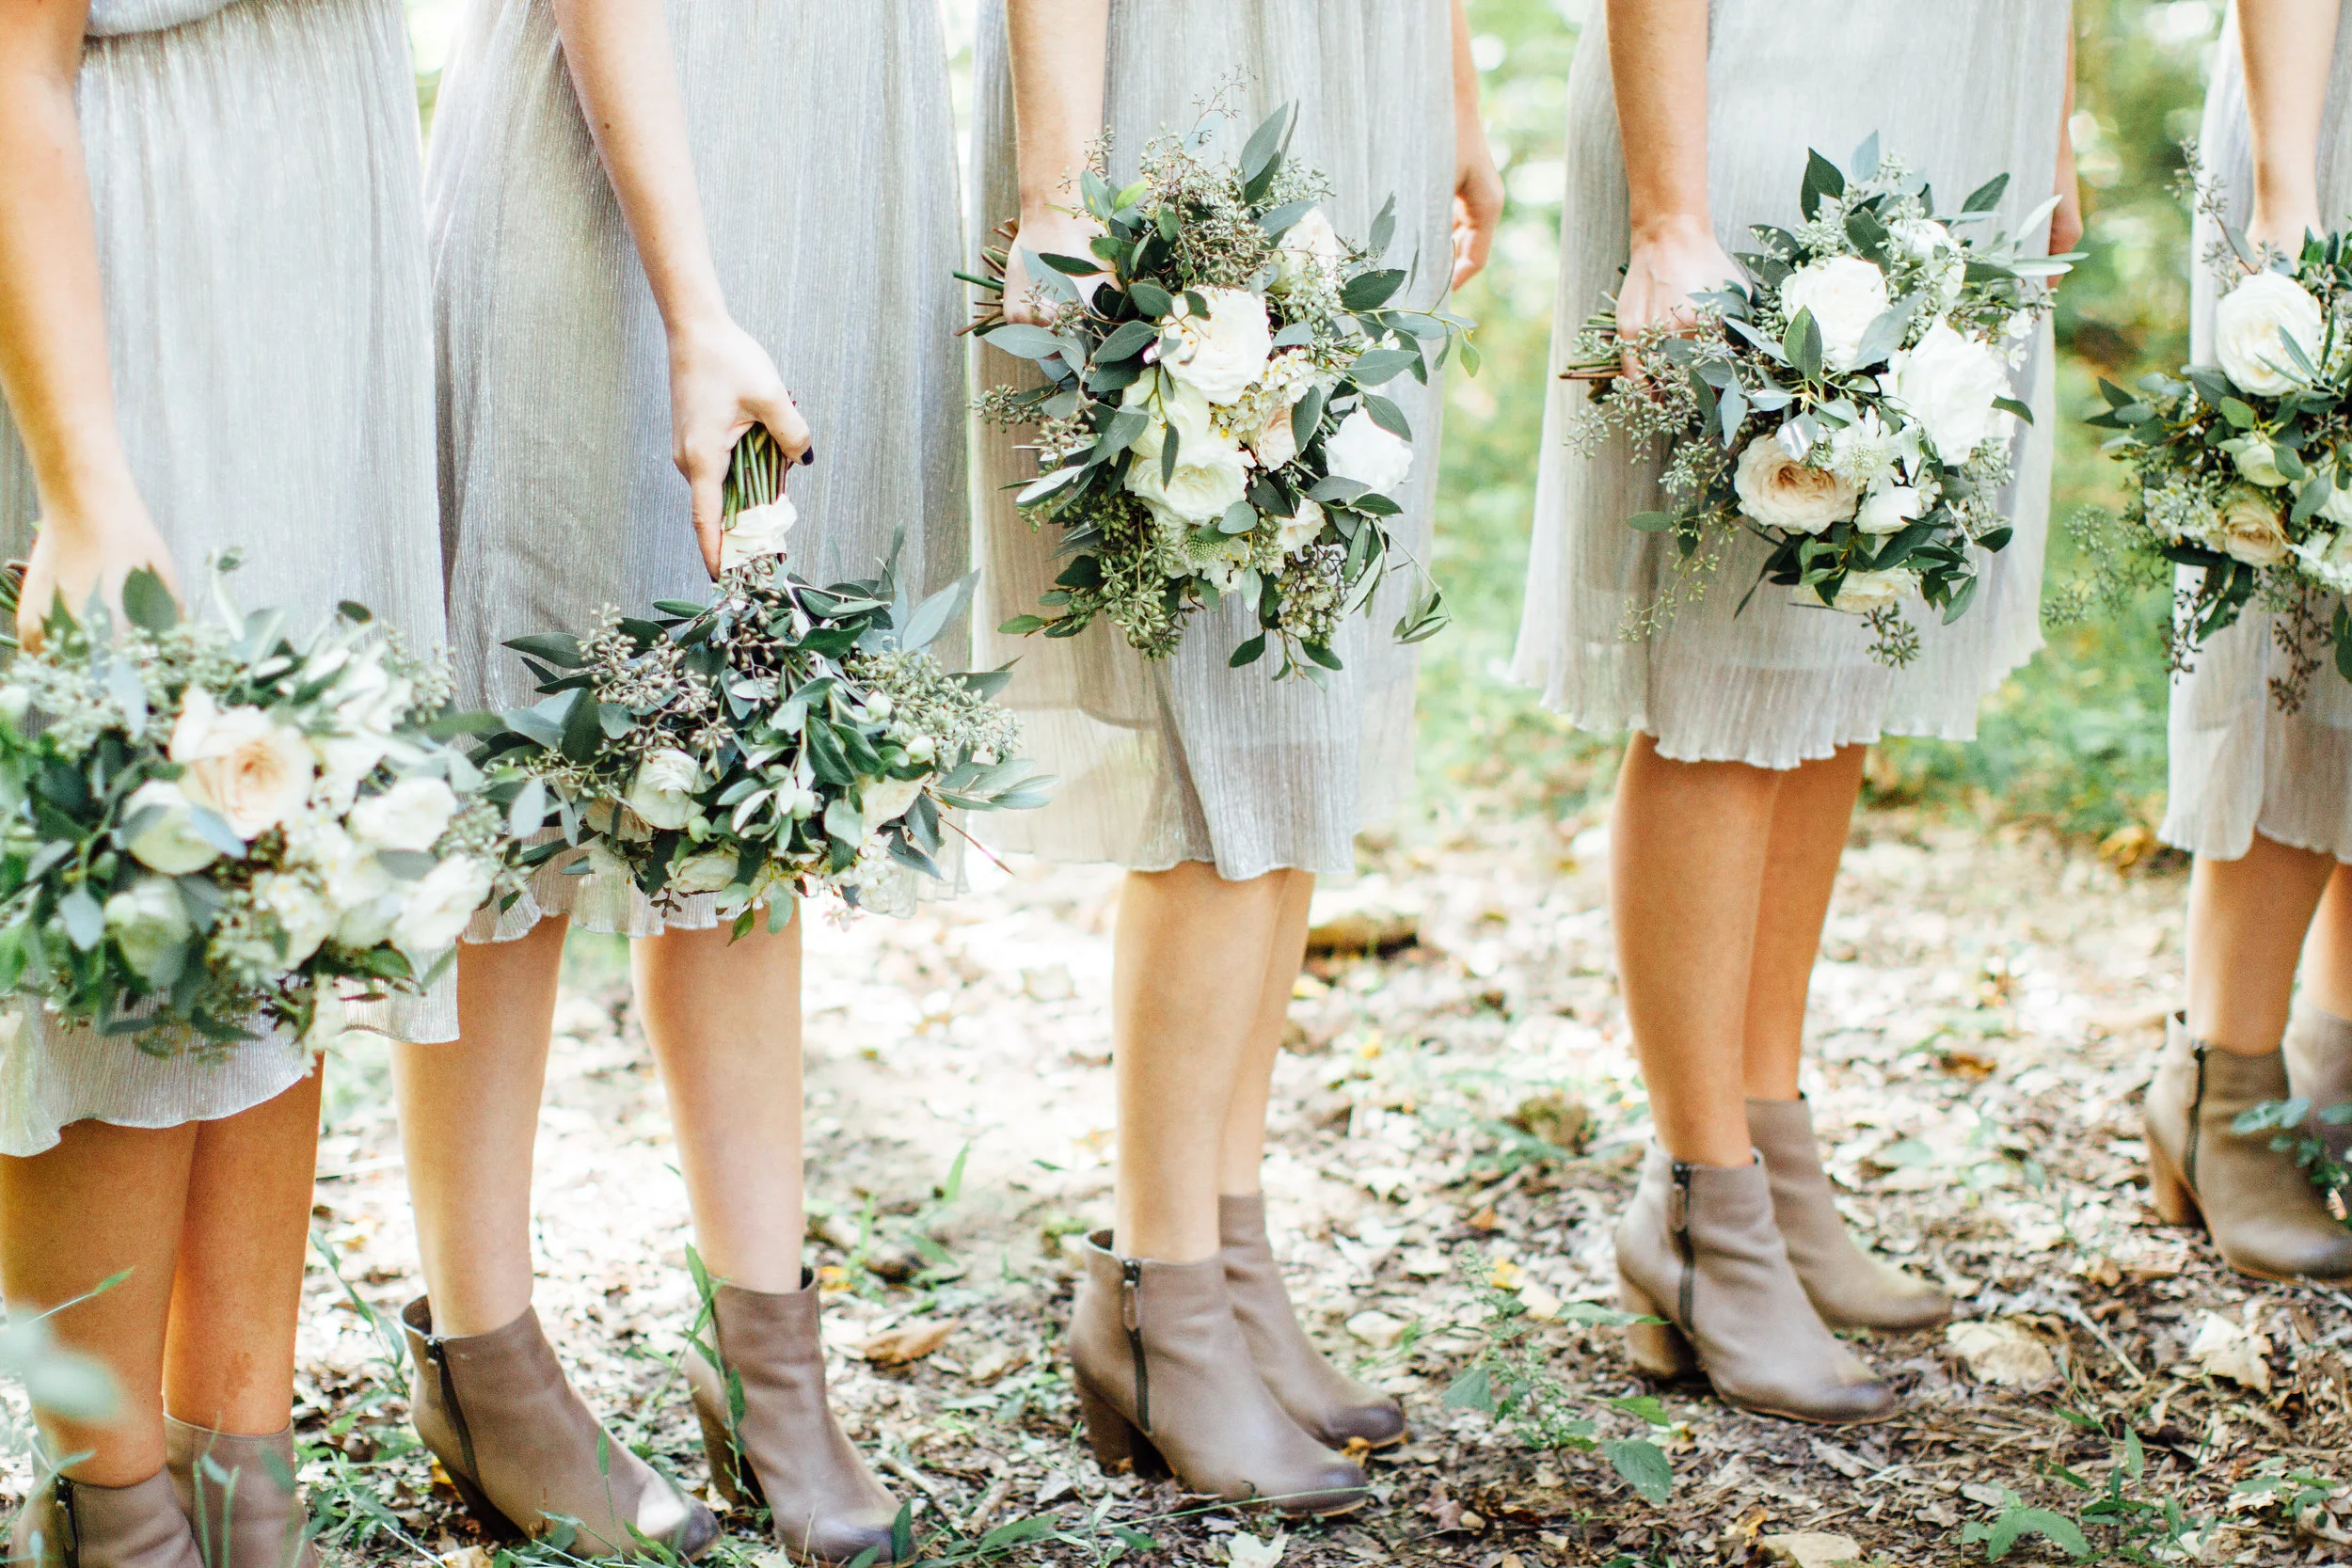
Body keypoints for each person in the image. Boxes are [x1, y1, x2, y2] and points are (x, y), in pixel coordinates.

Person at [396, 2, 966, 1560]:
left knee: (752, 759)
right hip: (611, 142)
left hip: (835, 138)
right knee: (518, 773)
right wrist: (693, 304)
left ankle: (767, 1356)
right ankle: (483, 1350)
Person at [1515, 0, 2080, 1422]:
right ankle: (1701, 1203)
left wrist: (2044, 105)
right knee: (1728, 673)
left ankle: (1765, 1147)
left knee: (1841, 641)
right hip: (1756, 106)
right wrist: (1670, 212)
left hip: (1954, 99)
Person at [977, 0, 1501, 1513]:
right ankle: (1161, 1295)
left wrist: (1449, 82)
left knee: (1299, 709)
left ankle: (1229, 1247)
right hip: (1193, 80)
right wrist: (1060, 195)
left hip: (1361, 76)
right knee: (1225, 709)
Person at [0, 0, 444, 1556]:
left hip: (325, 177)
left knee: (293, 869)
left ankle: (243, 1476)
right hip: (128, 216)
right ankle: (111, 1508)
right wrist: (82, 473)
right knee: (135, 893)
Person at [2144, 0, 2352, 1284]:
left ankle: (2330, 1071)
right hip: (2325, 127)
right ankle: (2226, 1083)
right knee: (2299, 616)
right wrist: (2289, 194)